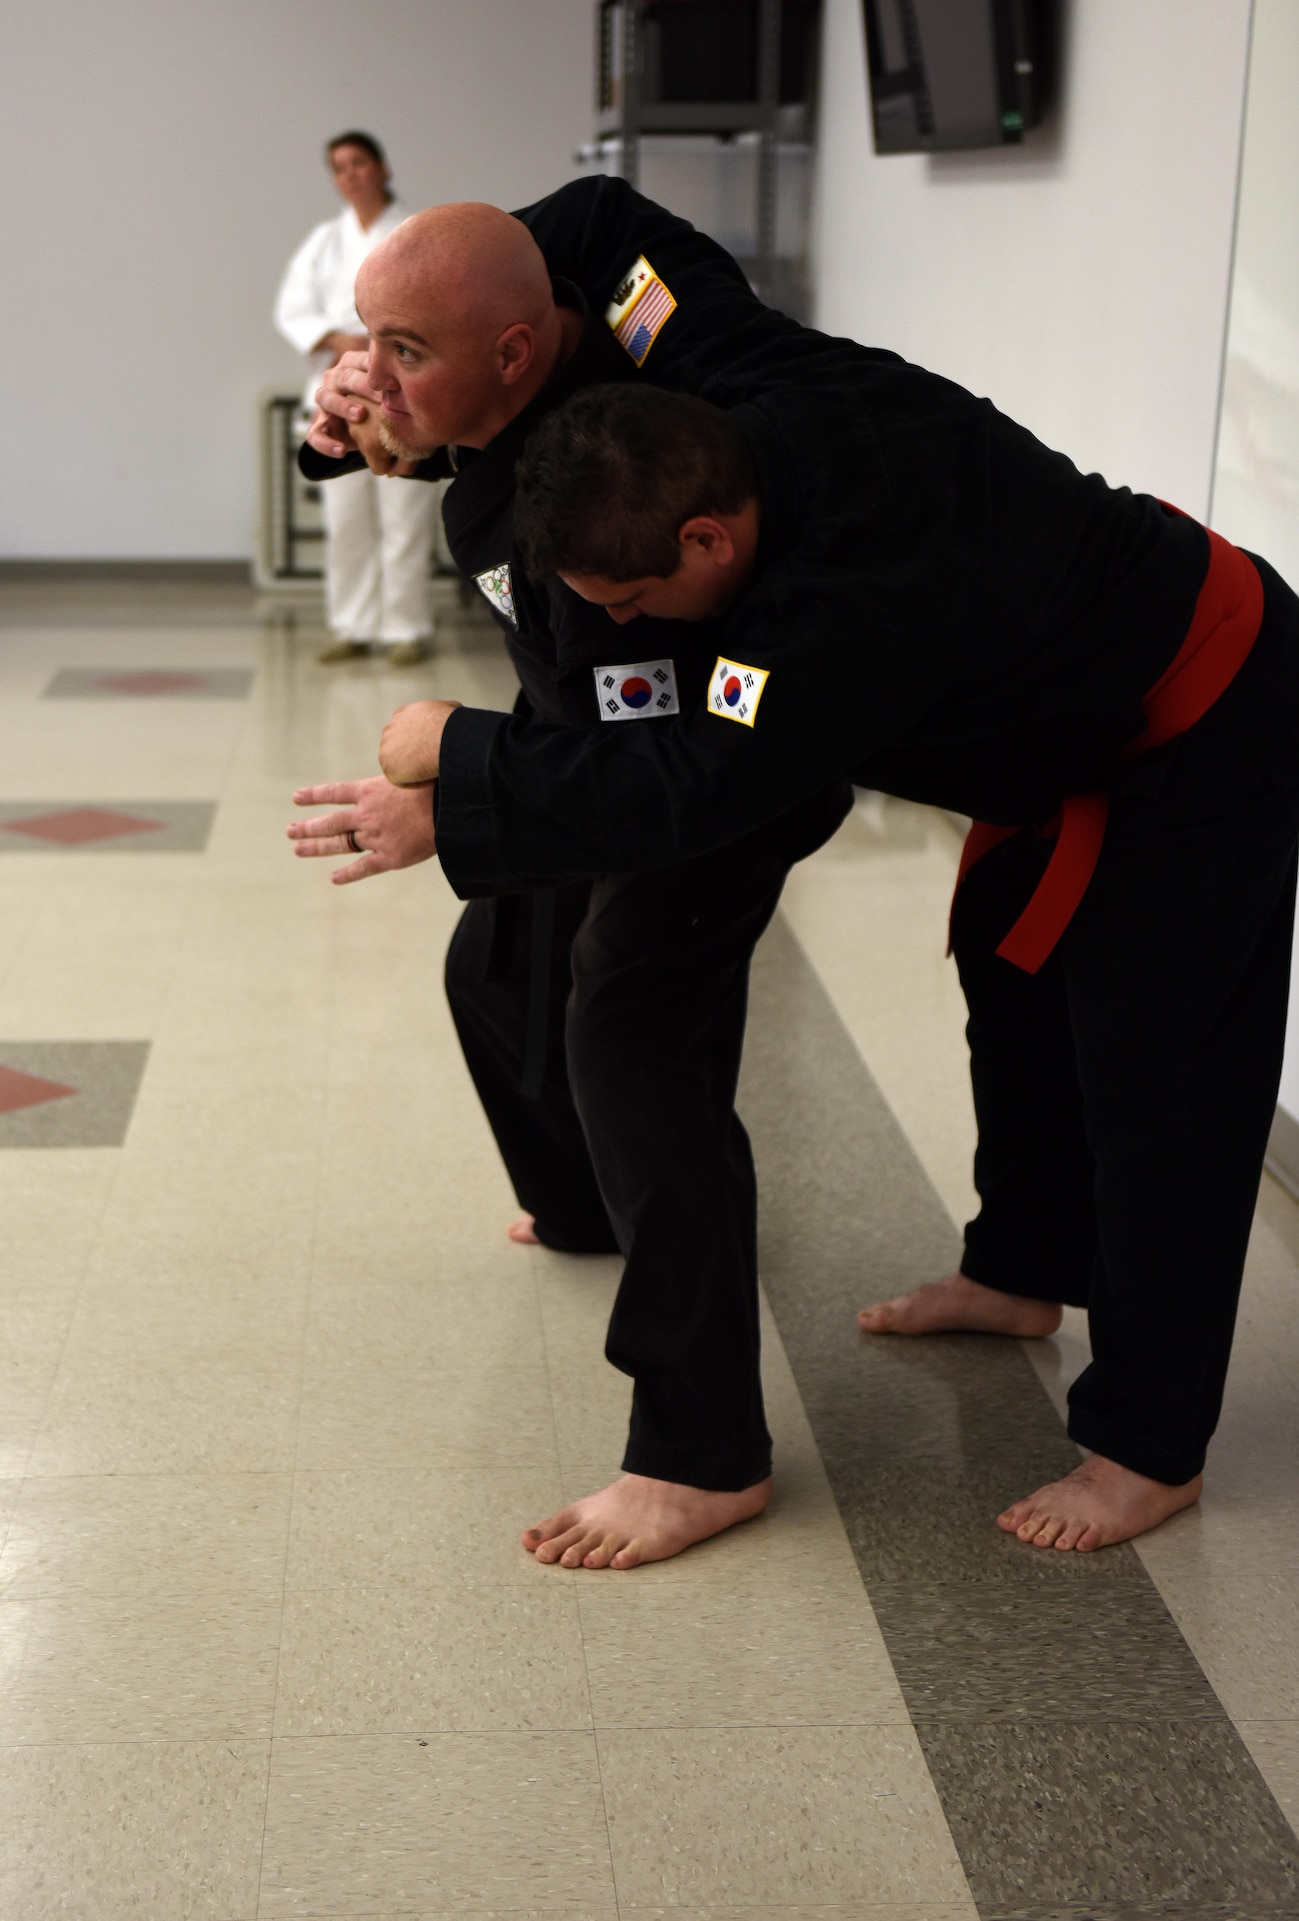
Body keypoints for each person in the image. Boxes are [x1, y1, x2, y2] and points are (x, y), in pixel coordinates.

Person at [376, 375, 1299, 1559]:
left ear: (707, 537)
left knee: (1162, 1088)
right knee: (1012, 1000)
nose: (632, 630)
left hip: (1211, 716)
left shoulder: (832, 622)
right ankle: (1022, 1270)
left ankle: (1150, 1446)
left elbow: (693, 786)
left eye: (640, 599)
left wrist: (462, 770)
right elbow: (607, 239)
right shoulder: (741, 420)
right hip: (1067, 733)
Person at [288, 201, 851, 1568]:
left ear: (517, 349)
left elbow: (651, 761)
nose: (378, 368)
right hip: (582, 746)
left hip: (707, 779)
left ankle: (700, 1451)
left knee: (631, 1039)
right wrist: (356, 413)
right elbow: (564, 251)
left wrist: (456, 782)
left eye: (404, 345)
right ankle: (584, 1207)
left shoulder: (605, 466)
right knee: (493, 969)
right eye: (371, 338)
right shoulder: (491, 409)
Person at [273, 131, 438, 666]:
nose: (350, 175)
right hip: (343, 385)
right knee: (345, 519)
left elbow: (436, 304)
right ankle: (353, 625)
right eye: (339, 167)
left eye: (359, 163)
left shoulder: (416, 231)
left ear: (382, 167)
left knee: (405, 511)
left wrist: (381, 340)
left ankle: (406, 628)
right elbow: (293, 309)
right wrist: (343, 341)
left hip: (402, 383)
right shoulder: (325, 240)